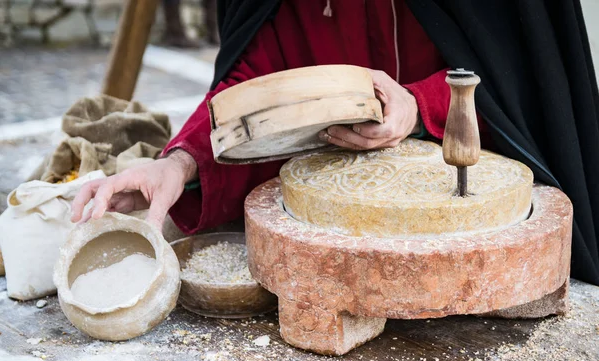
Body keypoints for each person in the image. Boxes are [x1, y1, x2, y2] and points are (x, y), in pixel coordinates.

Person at [72, 0, 599, 285]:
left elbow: (523, 78)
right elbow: (258, 86)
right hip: (338, 234)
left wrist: (419, 105)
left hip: (469, 217)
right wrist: (180, 162)